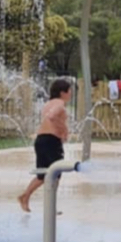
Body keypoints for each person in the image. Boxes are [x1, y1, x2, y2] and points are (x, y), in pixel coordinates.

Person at [17, 77, 72, 212]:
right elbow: (51, 117)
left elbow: (48, 117)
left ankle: (25, 196)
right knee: (56, 173)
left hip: (40, 140)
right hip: (51, 141)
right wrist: (64, 129)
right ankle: (51, 207)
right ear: (62, 92)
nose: (71, 94)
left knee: (42, 175)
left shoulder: (48, 104)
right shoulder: (60, 103)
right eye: (70, 91)